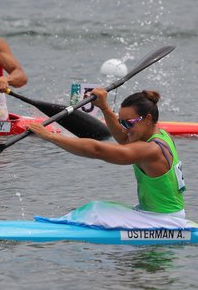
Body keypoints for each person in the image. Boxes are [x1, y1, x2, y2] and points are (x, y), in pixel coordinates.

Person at [29, 88, 188, 227]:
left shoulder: (150, 150)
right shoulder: (161, 134)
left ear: (147, 119)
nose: (125, 129)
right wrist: (104, 107)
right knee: (95, 209)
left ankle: (54, 228)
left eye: (129, 123)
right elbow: (125, 139)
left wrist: (51, 136)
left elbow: (97, 150)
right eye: (122, 123)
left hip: (162, 221)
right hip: (160, 214)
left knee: (95, 211)